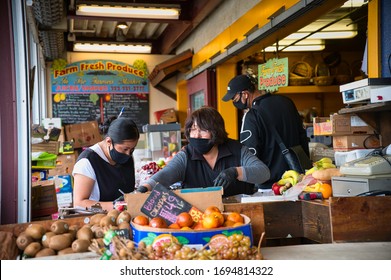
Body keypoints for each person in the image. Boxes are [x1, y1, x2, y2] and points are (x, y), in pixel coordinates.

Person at [136, 106, 270, 197]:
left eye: (203, 130)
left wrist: (235, 172)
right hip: (198, 220)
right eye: (193, 130)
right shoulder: (186, 156)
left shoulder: (237, 150)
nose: (197, 135)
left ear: (216, 131)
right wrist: (144, 188)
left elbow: (264, 173)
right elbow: (165, 175)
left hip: (238, 217)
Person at [222, 74, 310, 189]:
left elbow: (250, 153)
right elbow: (302, 135)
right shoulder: (287, 102)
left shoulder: (252, 115)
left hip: (271, 184)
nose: (234, 102)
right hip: (297, 177)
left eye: (234, 98)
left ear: (245, 94)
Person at [73, 117, 140, 211]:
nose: (128, 154)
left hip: (126, 217)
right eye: (125, 149)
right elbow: (79, 203)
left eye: (132, 149)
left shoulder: (127, 156)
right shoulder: (87, 161)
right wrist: (119, 206)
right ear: (109, 142)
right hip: (99, 220)